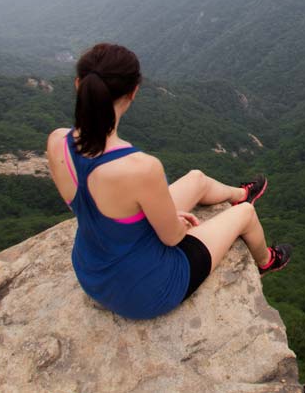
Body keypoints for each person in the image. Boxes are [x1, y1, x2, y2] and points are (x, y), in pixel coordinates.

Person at [44, 42, 291, 319]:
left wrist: (150, 217)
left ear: (79, 84)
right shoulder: (140, 168)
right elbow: (172, 238)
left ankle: (240, 193)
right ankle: (266, 260)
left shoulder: (57, 142)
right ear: (133, 92)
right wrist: (175, 221)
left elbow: (92, 209)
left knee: (197, 178)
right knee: (245, 215)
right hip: (143, 289)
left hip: (91, 270)